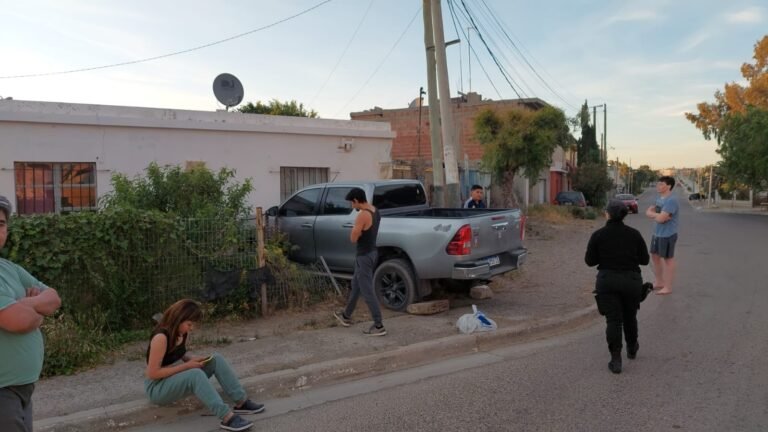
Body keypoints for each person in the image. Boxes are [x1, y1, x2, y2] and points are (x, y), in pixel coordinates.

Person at [145, 299, 264, 431]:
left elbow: (176, 353)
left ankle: (242, 402)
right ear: (179, 318)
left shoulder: (180, 332)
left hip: (172, 379)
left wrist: (193, 360)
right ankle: (227, 417)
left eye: (193, 325)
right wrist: (187, 366)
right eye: (189, 324)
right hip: (157, 388)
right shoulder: (160, 337)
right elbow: (153, 373)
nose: (192, 328)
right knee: (194, 374)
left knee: (215, 359)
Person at [0, 195, 62, 432]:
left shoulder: (8, 268)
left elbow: (54, 298)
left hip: (23, 389)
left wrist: (24, 303)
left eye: (1, 224)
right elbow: (21, 320)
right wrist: (36, 309)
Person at [585, 199, 650, 374]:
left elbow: (590, 261)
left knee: (613, 320)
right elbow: (645, 260)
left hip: (608, 281)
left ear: (607, 214)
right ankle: (632, 347)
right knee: (630, 316)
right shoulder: (634, 234)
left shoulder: (598, 235)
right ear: (624, 215)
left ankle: (615, 359)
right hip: (631, 281)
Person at [333, 187, 386, 336]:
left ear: (356, 201)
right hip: (372, 252)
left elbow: (353, 238)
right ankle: (346, 316)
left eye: (352, 203)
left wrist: (355, 228)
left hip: (364, 256)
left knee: (367, 290)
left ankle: (379, 325)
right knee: (356, 285)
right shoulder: (375, 210)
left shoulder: (362, 215)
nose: (351, 205)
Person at [645, 176, 679, 295]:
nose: (658, 186)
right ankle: (659, 282)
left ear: (668, 186)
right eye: (658, 184)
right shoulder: (659, 199)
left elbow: (660, 218)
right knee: (655, 256)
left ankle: (668, 287)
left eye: (661, 184)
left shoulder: (671, 200)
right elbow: (649, 212)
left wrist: (655, 215)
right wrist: (656, 215)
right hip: (657, 233)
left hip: (667, 235)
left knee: (668, 259)